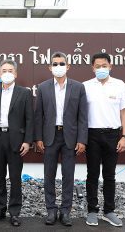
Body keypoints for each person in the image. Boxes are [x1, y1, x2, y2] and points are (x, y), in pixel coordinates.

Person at [34, 52, 88, 226]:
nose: (58, 67)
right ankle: (51, 210)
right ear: (50, 67)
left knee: (68, 175)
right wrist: (38, 138)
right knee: (48, 174)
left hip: (70, 137)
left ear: (68, 66)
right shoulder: (42, 87)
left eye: (61, 63)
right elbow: (38, 115)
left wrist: (82, 139)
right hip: (50, 137)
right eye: (55, 64)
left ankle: (65, 211)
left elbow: (82, 116)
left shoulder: (78, 87)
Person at [83, 53, 125, 227]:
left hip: (113, 135)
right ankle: (92, 211)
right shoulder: (86, 86)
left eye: (104, 65)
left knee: (109, 175)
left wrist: (124, 136)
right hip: (92, 135)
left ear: (110, 66)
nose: (101, 69)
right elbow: (80, 115)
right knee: (93, 174)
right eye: (97, 66)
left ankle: (109, 211)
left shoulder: (119, 85)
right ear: (92, 68)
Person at [0, 59, 34, 227]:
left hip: (16, 141)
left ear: (16, 74)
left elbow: (29, 119)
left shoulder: (24, 93)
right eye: (4, 70)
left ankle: (14, 212)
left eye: (10, 70)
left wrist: (27, 141)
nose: (7, 73)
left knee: (15, 178)